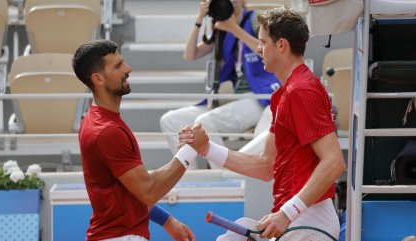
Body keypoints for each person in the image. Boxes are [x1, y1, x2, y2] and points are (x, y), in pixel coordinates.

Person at [179, 7, 346, 240]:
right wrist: (206, 149)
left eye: (262, 42)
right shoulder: (286, 93)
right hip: (300, 220)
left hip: (308, 223)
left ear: (281, 45)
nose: (258, 49)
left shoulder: (301, 90)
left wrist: (287, 213)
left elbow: (334, 162)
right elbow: (266, 166)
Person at [72, 39, 206, 241]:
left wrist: (167, 221)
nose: (128, 69)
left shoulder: (97, 122)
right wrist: (190, 150)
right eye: (118, 66)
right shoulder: (107, 131)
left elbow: (133, 190)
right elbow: (148, 190)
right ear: (98, 79)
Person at [160, 0, 281, 168]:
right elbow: (189, 55)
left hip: (260, 96)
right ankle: (190, 176)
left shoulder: (255, 20)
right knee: (171, 120)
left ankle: (225, 178)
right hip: (231, 96)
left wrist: (235, 29)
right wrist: (200, 18)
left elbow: (270, 52)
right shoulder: (222, 26)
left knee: (206, 121)